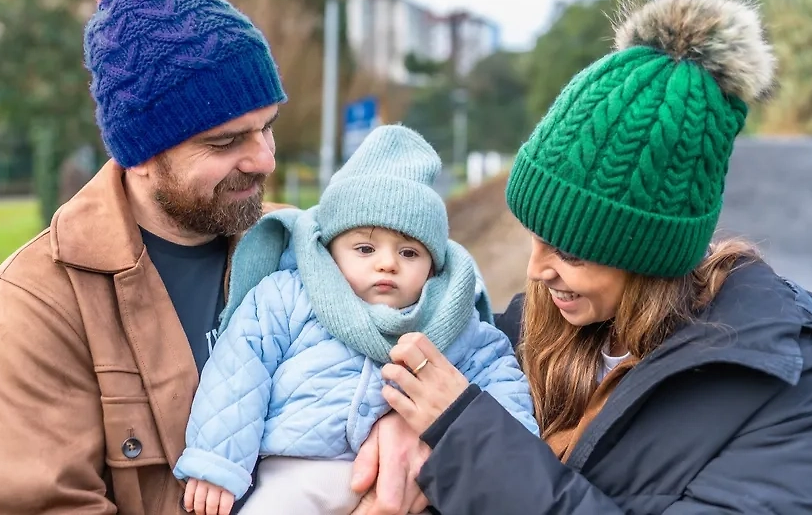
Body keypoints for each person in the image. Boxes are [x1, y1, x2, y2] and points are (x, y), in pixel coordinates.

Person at [361, 0, 812, 513]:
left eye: (571, 254)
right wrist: (396, 424)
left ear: (650, 254)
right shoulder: (533, 331)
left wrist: (464, 438)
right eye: (534, 240)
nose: (536, 270)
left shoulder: (788, 393)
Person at [0, 0, 294, 512]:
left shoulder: (301, 241)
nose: (264, 159)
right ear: (140, 155)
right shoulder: (37, 304)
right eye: (225, 141)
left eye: (267, 126)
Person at [170, 125, 538, 515]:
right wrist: (218, 462)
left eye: (410, 253)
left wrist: (513, 465)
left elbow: (499, 386)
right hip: (298, 475)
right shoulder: (287, 297)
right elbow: (238, 373)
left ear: (434, 266)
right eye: (365, 248)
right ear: (329, 250)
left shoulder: (453, 324)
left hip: (406, 482)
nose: (387, 263)